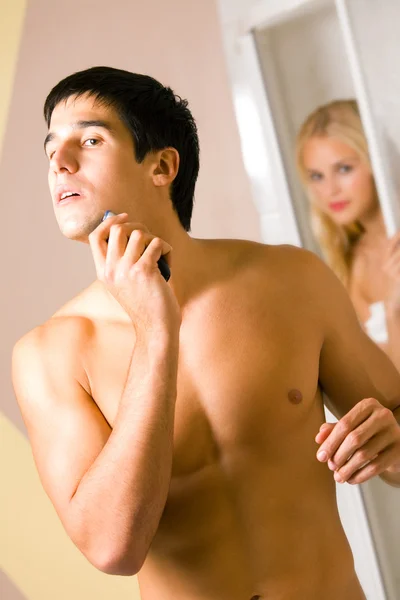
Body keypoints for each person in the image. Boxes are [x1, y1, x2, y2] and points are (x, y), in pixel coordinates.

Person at [11, 67, 400, 600]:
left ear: (162, 166)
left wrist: (392, 445)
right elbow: (111, 548)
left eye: (91, 139)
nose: (59, 161)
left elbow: (394, 429)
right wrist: (156, 331)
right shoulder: (49, 354)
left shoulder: (293, 280)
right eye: (51, 147)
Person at [296, 99, 400, 371]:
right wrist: (392, 309)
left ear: (376, 161)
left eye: (344, 169)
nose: (330, 190)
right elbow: (385, 385)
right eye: (317, 176)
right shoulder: (347, 263)